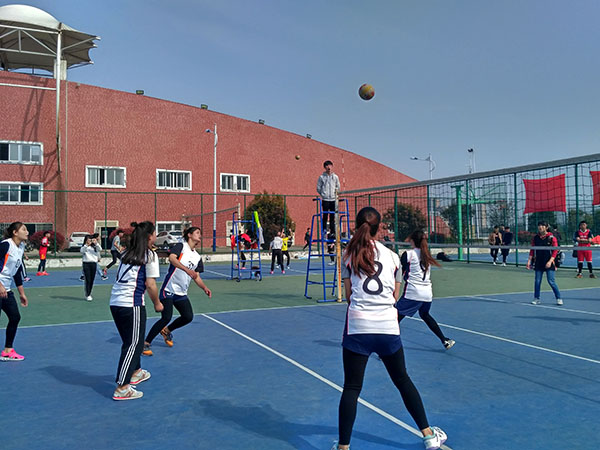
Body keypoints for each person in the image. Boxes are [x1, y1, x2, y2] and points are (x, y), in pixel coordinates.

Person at [333, 207, 447, 450]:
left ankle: (343, 447)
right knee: (402, 379)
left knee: (352, 387)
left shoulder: (348, 255)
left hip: (358, 327)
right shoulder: (394, 257)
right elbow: (394, 296)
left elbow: (349, 296)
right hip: (387, 327)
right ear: (379, 228)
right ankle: (429, 435)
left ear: (357, 226)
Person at [110, 221, 164, 400]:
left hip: (115, 302)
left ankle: (136, 371)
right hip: (131, 304)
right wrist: (157, 303)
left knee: (133, 341)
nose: (156, 236)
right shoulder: (149, 255)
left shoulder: (127, 253)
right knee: (133, 345)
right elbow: (150, 284)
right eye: (155, 233)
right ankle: (122, 387)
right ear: (149, 237)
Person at [143, 226, 211, 356]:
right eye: (197, 233)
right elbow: (172, 259)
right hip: (169, 289)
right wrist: (186, 269)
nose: (200, 235)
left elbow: (196, 276)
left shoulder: (197, 257)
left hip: (181, 292)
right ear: (189, 235)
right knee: (166, 317)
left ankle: (167, 331)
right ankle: (146, 342)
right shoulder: (181, 246)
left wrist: (204, 288)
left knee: (188, 317)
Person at [396, 230, 455, 350]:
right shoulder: (426, 255)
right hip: (427, 294)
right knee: (425, 314)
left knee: (393, 319)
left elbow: (399, 274)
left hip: (413, 293)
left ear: (412, 240)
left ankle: (388, 350)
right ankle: (444, 340)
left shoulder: (409, 254)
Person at [0, 222, 29, 361]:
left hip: (6, 289)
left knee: (15, 317)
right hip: (0, 287)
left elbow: (17, 271)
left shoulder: (21, 247)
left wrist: (21, 293)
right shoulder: (6, 245)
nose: (27, 232)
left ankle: (8, 350)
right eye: (24, 229)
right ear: (15, 232)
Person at [527, 221, 562, 305]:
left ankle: (558, 298)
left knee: (551, 281)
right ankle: (536, 298)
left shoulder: (551, 238)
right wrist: (529, 261)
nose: (540, 227)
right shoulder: (535, 238)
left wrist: (550, 261)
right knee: (537, 281)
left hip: (549, 262)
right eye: (539, 225)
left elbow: (555, 251)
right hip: (539, 262)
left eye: (542, 226)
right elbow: (532, 250)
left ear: (546, 227)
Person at [317, 160, 340, 235]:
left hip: (333, 199)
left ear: (332, 166)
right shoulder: (321, 177)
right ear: (325, 167)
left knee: (332, 216)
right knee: (325, 215)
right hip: (325, 199)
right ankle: (324, 230)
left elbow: (338, 186)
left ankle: (332, 231)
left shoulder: (335, 177)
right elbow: (318, 188)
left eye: (330, 165)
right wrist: (323, 194)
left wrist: (336, 194)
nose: (329, 167)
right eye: (327, 166)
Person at [80, 234, 102, 301]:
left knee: (92, 280)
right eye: (88, 240)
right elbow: (82, 251)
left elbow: (100, 249)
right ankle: (88, 294)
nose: (90, 241)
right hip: (86, 264)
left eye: (91, 239)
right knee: (88, 280)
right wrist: (86, 245)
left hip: (93, 263)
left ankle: (89, 292)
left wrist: (96, 243)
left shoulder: (95, 247)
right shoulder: (84, 247)